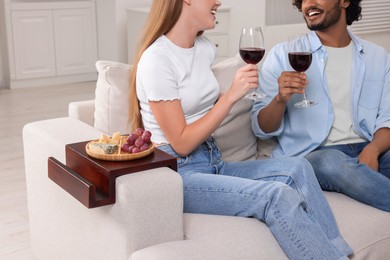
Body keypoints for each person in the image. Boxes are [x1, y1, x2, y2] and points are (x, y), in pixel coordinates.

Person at [129, 0, 353, 258]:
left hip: (212, 159)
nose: (218, 2)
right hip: (177, 173)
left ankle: (338, 253)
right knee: (275, 196)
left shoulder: (202, 49)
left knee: (298, 168)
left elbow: (199, 103)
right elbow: (180, 142)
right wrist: (231, 97)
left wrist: (261, 95)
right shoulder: (157, 59)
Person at [252, 0, 390, 212]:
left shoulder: (378, 57)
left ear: (344, 1)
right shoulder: (282, 55)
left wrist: (373, 149)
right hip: (314, 155)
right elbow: (262, 129)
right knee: (330, 161)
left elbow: (387, 119)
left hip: (367, 147)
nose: (309, 4)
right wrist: (280, 99)